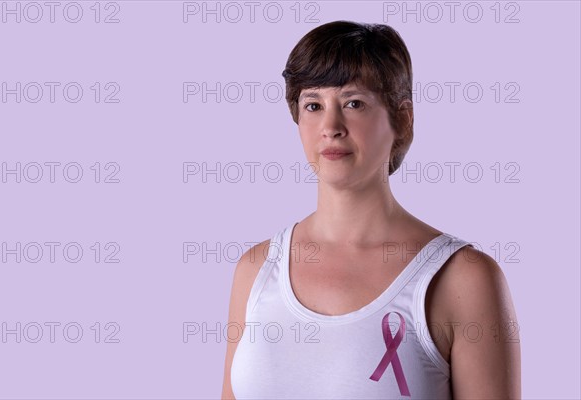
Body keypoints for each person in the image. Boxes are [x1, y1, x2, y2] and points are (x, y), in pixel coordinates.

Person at [221, 20, 521, 399]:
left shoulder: (463, 279)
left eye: (353, 103)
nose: (330, 126)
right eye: (313, 105)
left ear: (403, 117)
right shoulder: (256, 269)